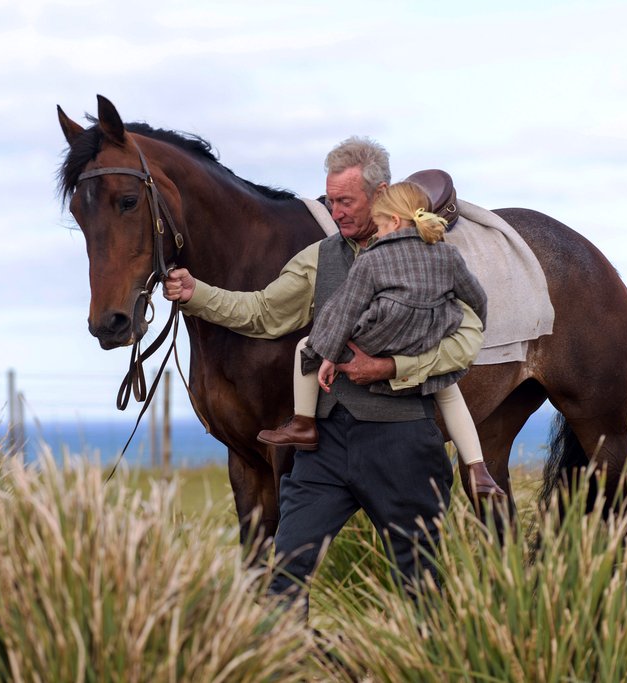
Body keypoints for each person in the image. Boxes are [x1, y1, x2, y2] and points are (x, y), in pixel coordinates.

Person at [163, 136, 494, 611]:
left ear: (380, 197)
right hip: (326, 446)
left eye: (345, 201)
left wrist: (394, 366)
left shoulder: (432, 260)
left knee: (424, 589)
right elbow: (263, 312)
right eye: (331, 200)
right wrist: (197, 293)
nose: (334, 212)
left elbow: (466, 338)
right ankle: (284, 666)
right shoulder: (321, 258)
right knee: (283, 574)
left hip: (402, 444)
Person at [256, 180, 504, 497]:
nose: (377, 232)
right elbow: (477, 300)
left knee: (306, 346)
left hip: (381, 339)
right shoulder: (448, 255)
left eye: (381, 224)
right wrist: (458, 327)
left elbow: (345, 311)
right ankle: (478, 470)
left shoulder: (373, 259)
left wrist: (327, 354)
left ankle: (303, 423)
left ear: (395, 222)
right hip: (429, 336)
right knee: (448, 389)